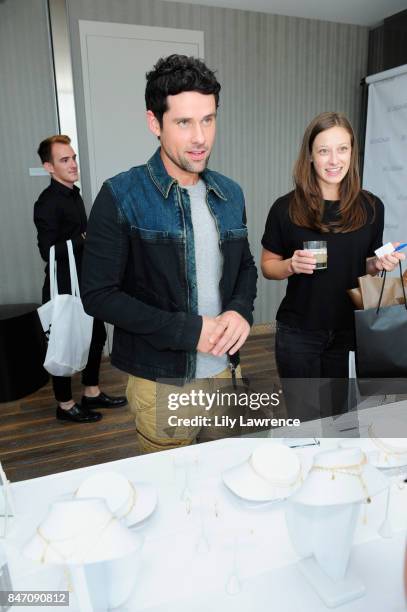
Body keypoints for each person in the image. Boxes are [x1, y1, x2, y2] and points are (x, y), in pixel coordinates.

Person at [81, 54, 257, 452]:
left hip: (225, 371)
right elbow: (98, 295)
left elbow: (244, 265)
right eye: (184, 122)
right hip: (162, 381)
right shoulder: (120, 196)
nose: (200, 137)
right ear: (154, 123)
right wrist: (188, 330)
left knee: (222, 483)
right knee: (176, 495)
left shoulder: (230, 193)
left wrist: (240, 311)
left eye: (208, 119)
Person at [261, 112, 405, 418]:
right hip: (299, 332)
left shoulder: (371, 207)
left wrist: (378, 263)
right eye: (323, 150)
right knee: (306, 421)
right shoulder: (285, 208)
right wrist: (290, 265)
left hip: (350, 332)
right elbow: (268, 266)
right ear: (310, 156)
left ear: (352, 153)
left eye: (342, 149)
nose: (333, 160)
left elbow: (364, 264)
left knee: (341, 419)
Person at [34, 135, 127, 423]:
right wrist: (85, 237)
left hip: (85, 283)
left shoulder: (74, 194)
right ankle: (64, 405)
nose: (73, 164)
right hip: (62, 287)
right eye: (65, 160)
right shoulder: (47, 203)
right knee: (62, 345)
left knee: (96, 336)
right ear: (49, 167)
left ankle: (92, 392)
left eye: (73, 157)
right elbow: (48, 251)